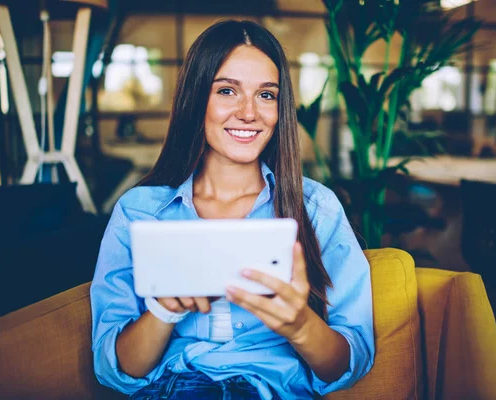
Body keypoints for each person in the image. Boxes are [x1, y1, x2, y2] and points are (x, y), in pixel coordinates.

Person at [90, 20, 375, 400]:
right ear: (196, 100)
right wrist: (164, 311)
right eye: (227, 90)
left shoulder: (316, 209)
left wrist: (301, 326)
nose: (249, 113)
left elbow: (349, 361)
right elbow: (115, 369)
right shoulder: (140, 212)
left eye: (267, 95)